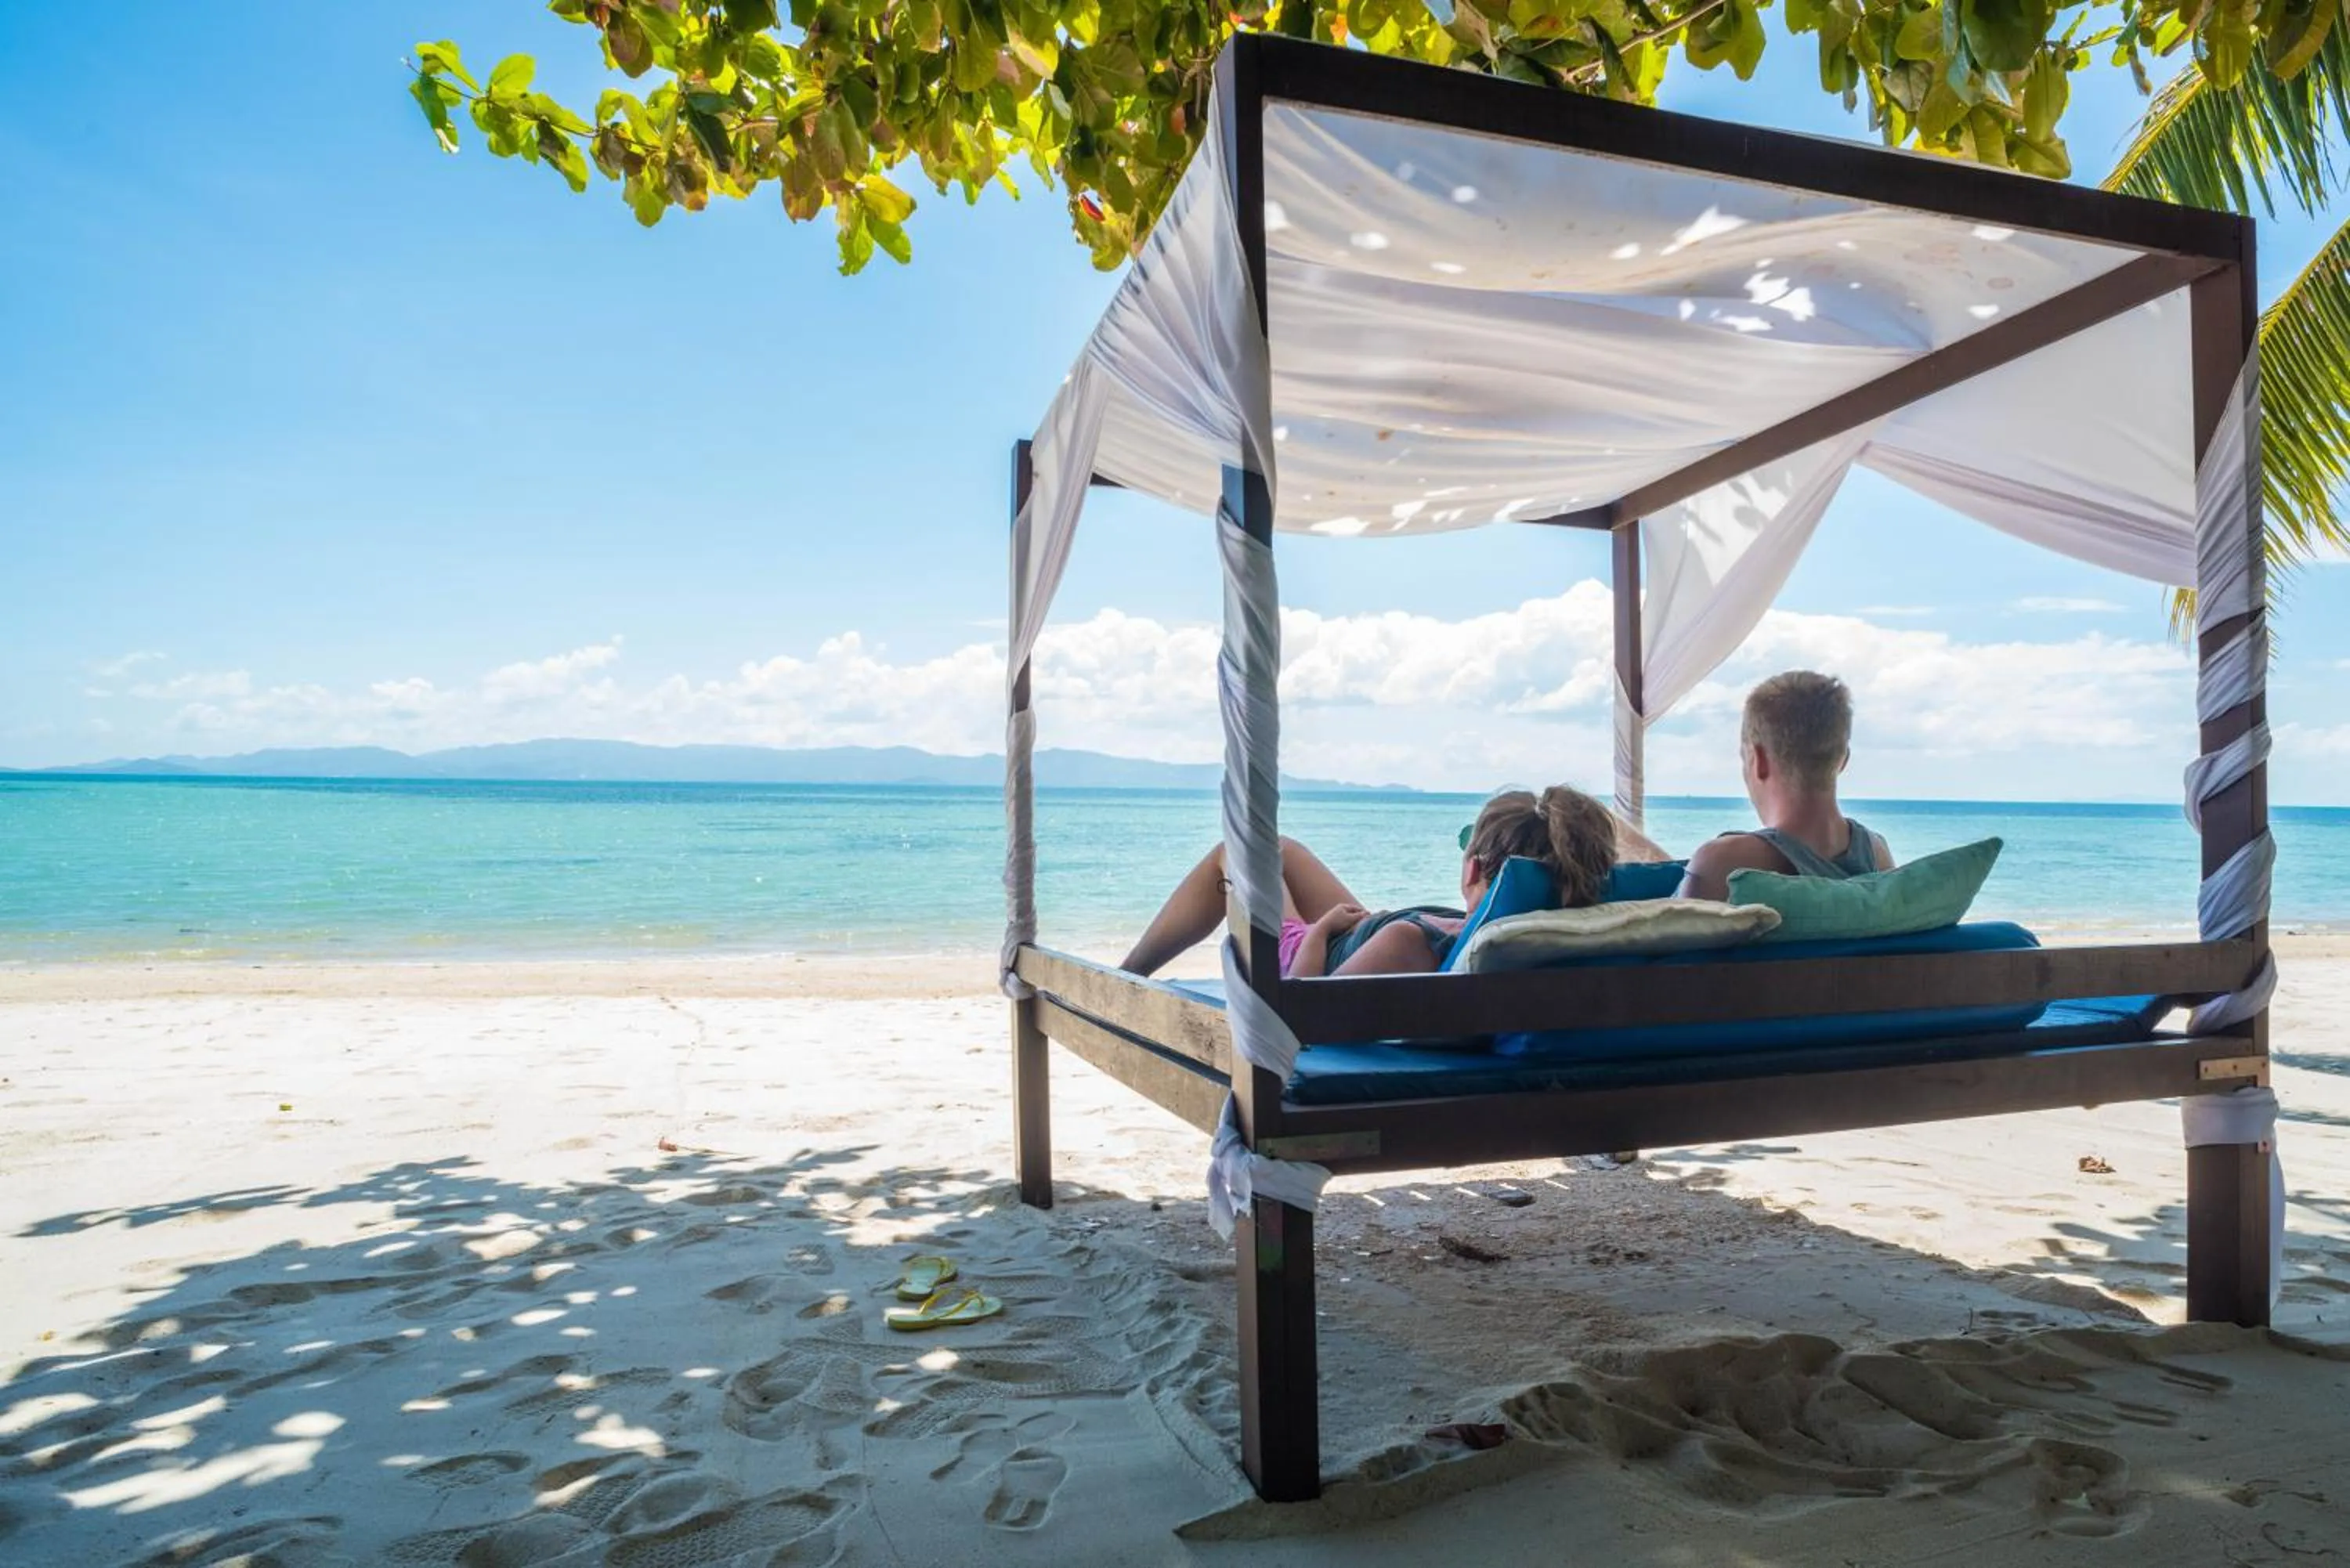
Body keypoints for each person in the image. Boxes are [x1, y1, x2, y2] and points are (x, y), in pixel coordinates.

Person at [1119, 785, 1622, 979]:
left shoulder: (1415, 942)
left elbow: (1304, 1014)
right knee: (1276, 848)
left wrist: (1319, 931)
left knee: (1235, 852)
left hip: (1304, 955)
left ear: (1473, 867)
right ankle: (1128, 974)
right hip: (1366, 934)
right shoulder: (1531, 933)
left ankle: (1128, 975)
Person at [1676, 670, 1896, 902]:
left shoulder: (1724, 865)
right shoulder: (1878, 857)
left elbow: (1665, 929)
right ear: (1843, 760)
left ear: (1758, 760)